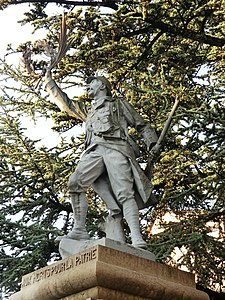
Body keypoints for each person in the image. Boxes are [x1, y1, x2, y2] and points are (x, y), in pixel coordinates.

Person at [45, 72, 158, 249]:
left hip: (117, 148)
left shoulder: (118, 104)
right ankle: (80, 229)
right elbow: (66, 104)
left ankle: (136, 237)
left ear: (103, 86)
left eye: (93, 82)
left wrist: (152, 142)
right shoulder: (88, 110)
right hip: (94, 151)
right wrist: (49, 82)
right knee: (75, 182)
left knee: (125, 193)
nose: (88, 85)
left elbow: (141, 125)